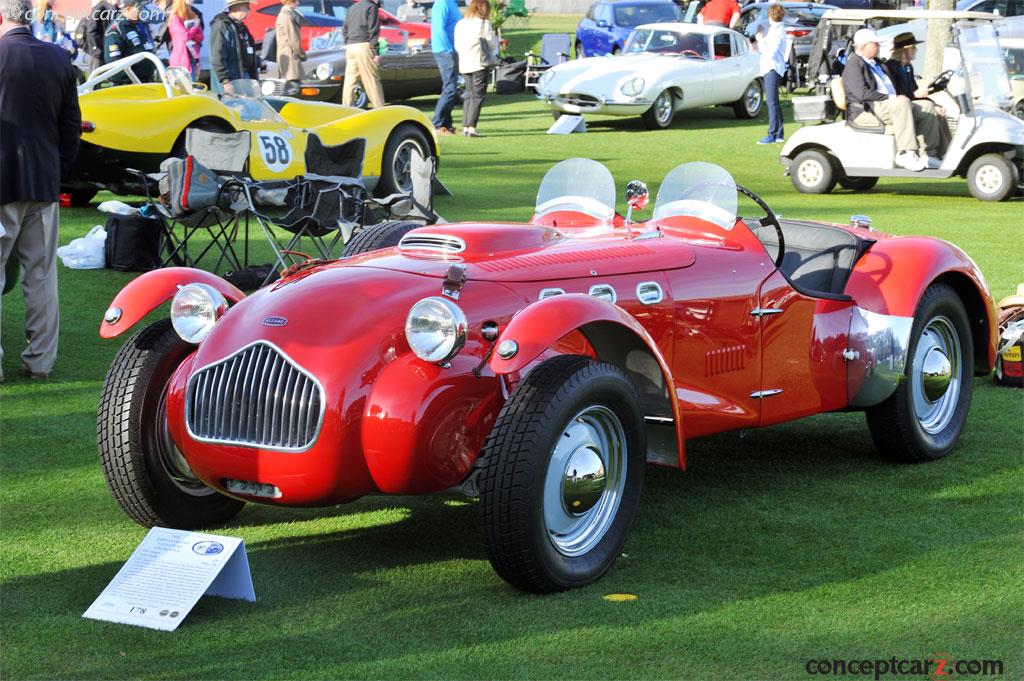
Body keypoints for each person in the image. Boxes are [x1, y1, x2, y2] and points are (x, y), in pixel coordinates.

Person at [0, 0, 82, 382]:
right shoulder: (59, 58)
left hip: (4, 182)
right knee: (41, 276)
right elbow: (71, 126)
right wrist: (58, 170)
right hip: (43, 181)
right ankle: (40, 363)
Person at [842, 28, 940, 171]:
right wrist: (891, 97)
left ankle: (928, 154)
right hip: (867, 109)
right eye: (875, 44)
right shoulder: (854, 65)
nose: (879, 47)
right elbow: (861, 94)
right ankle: (906, 152)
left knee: (926, 107)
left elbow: (897, 89)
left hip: (889, 105)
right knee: (901, 102)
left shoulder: (878, 64)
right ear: (864, 46)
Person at [884, 31, 950, 156]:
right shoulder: (890, 67)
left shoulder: (908, 67)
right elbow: (897, 93)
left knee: (939, 113)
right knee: (930, 110)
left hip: (910, 102)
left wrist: (935, 104)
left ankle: (946, 151)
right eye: (914, 47)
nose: (916, 50)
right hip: (901, 106)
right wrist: (915, 95)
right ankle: (929, 151)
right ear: (905, 49)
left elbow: (913, 89)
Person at [454, 0, 496, 137]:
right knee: (478, 96)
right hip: (479, 63)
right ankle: (472, 127)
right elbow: (492, 44)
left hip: (465, 63)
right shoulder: (484, 24)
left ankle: (466, 126)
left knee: (469, 94)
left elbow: (457, 45)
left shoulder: (461, 23)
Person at [342, 0, 385, 108]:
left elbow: (344, 29)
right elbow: (373, 30)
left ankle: (346, 108)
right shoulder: (371, 7)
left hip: (351, 46)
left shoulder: (351, 8)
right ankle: (380, 109)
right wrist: (376, 51)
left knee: (349, 81)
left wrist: (348, 42)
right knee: (371, 79)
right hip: (364, 46)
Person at [755, 2, 788, 145]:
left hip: (772, 68)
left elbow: (771, 53)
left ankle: (772, 134)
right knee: (774, 102)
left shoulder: (777, 31)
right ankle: (779, 133)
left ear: (771, 15)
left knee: (771, 102)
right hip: (773, 68)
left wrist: (760, 41)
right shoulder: (776, 29)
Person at [209, 0, 258, 94]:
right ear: (239, 7)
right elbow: (216, 56)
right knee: (232, 107)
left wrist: (259, 62)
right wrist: (225, 81)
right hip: (231, 80)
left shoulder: (241, 27)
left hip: (243, 77)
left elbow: (243, 52)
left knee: (250, 106)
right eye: (247, 7)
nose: (249, 11)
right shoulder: (222, 26)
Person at [103, 0, 157, 82]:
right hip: (130, 85)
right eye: (140, 9)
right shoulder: (116, 30)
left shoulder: (137, 25)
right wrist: (131, 80)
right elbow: (114, 67)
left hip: (145, 81)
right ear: (128, 9)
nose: (142, 13)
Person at [431, 0, 460, 134]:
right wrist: (448, 49)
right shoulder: (442, 3)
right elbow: (438, 28)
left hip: (452, 50)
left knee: (451, 88)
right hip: (444, 51)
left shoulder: (452, 3)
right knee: (450, 89)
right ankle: (436, 124)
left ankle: (446, 125)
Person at [275, 0, 305, 95]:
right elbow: (293, 37)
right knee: (292, 87)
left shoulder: (287, 14)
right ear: (290, 2)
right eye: (296, 1)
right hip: (290, 52)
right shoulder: (287, 16)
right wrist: (301, 53)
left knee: (292, 84)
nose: (298, 3)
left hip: (288, 51)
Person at [167, 0, 203, 79]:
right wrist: (195, 27)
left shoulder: (194, 15)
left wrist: (191, 33)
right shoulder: (175, 18)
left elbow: (200, 37)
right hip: (180, 61)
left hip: (193, 59)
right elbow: (184, 37)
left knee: (191, 88)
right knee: (181, 89)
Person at [82, 0, 116, 73]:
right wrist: (100, 48)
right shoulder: (99, 8)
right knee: (95, 79)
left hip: (106, 49)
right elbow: (91, 31)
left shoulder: (113, 7)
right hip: (97, 51)